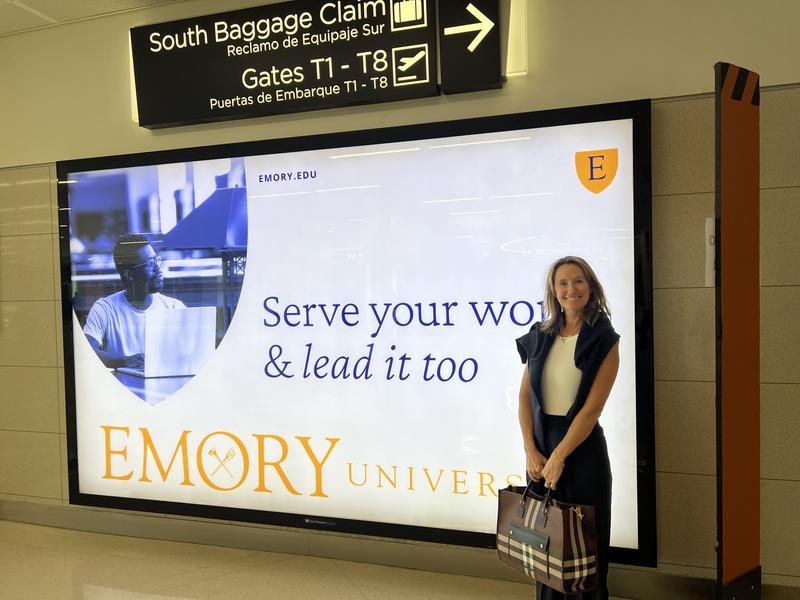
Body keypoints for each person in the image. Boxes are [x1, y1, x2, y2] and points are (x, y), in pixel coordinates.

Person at [515, 256, 620, 600]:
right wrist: (531, 451)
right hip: (542, 454)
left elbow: (592, 410)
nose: (570, 289)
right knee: (545, 551)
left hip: (582, 453)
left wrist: (559, 457)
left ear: (590, 287)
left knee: (584, 557)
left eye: (577, 281)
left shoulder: (604, 338)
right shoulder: (539, 336)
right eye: (562, 283)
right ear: (553, 291)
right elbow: (524, 398)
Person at [83, 233, 185, 369]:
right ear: (129, 275)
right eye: (150, 264)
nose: (158, 269)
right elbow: (86, 352)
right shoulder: (105, 309)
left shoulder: (174, 308)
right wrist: (123, 361)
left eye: (157, 260)